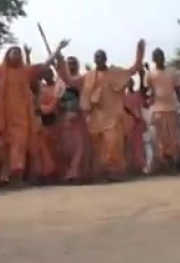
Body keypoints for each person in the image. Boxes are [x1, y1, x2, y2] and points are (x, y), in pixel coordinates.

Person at [0, 28, 68, 185]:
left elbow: (45, 65)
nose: (16, 55)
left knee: (19, 144)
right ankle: (10, 175)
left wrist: (57, 49)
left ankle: (17, 176)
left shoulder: (26, 72)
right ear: (8, 55)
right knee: (6, 148)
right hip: (3, 119)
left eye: (19, 53)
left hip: (22, 118)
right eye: (13, 52)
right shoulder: (0, 70)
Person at [57, 40, 146, 182]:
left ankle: (115, 172)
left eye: (101, 57)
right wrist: (60, 59)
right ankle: (103, 173)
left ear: (105, 59)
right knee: (99, 148)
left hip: (113, 116)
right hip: (96, 118)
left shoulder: (115, 73)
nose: (99, 60)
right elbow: (70, 81)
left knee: (113, 144)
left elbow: (134, 69)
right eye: (97, 58)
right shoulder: (89, 76)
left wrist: (140, 52)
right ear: (94, 60)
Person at [146, 48, 180, 173]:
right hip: (158, 110)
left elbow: (178, 90)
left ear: (164, 57)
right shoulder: (150, 74)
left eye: (161, 56)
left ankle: (174, 163)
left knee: (175, 138)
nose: (159, 58)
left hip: (171, 109)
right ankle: (168, 164)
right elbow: (147, 91)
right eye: (156, 56)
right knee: (162, 139)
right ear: (154, 59)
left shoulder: (172, 72)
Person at [54, 55, 92, 183]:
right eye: (69, 63)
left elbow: (86, 97)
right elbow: (57, 100)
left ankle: (76, 173)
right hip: (64, 119)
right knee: (66, 148)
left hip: (79, 118)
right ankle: (68, 173)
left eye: (74, 63)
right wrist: (62, 106)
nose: (71, 66)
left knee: (80, 147)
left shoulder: (81, 80)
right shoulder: (59, 83)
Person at [123, 77, 147, 174]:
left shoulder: (138, 95)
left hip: (138, 123)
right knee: (130, 145)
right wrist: (133, 115)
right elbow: (125, 108)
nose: (130, 84)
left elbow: (143, 104)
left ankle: (139, 167)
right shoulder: (124, 96)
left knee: (138, 145)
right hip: (129, 123)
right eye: (128, 82)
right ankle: (131, 167)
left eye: (131, 82)